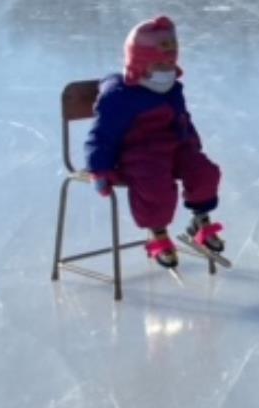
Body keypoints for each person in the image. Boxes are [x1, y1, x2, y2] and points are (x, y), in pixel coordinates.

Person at [84, 17, 225, 269]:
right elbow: (101, 135)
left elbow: (183, 120)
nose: (166, 69)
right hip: (138, 155)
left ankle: (200, 220)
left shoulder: (172, 89)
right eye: (159, 64)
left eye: (170, 62)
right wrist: (99, 169)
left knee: (204, 172)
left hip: (174, 147)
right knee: (155, 185)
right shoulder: (119, 96)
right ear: (139, 63)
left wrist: (192, 146)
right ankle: (157, 233)